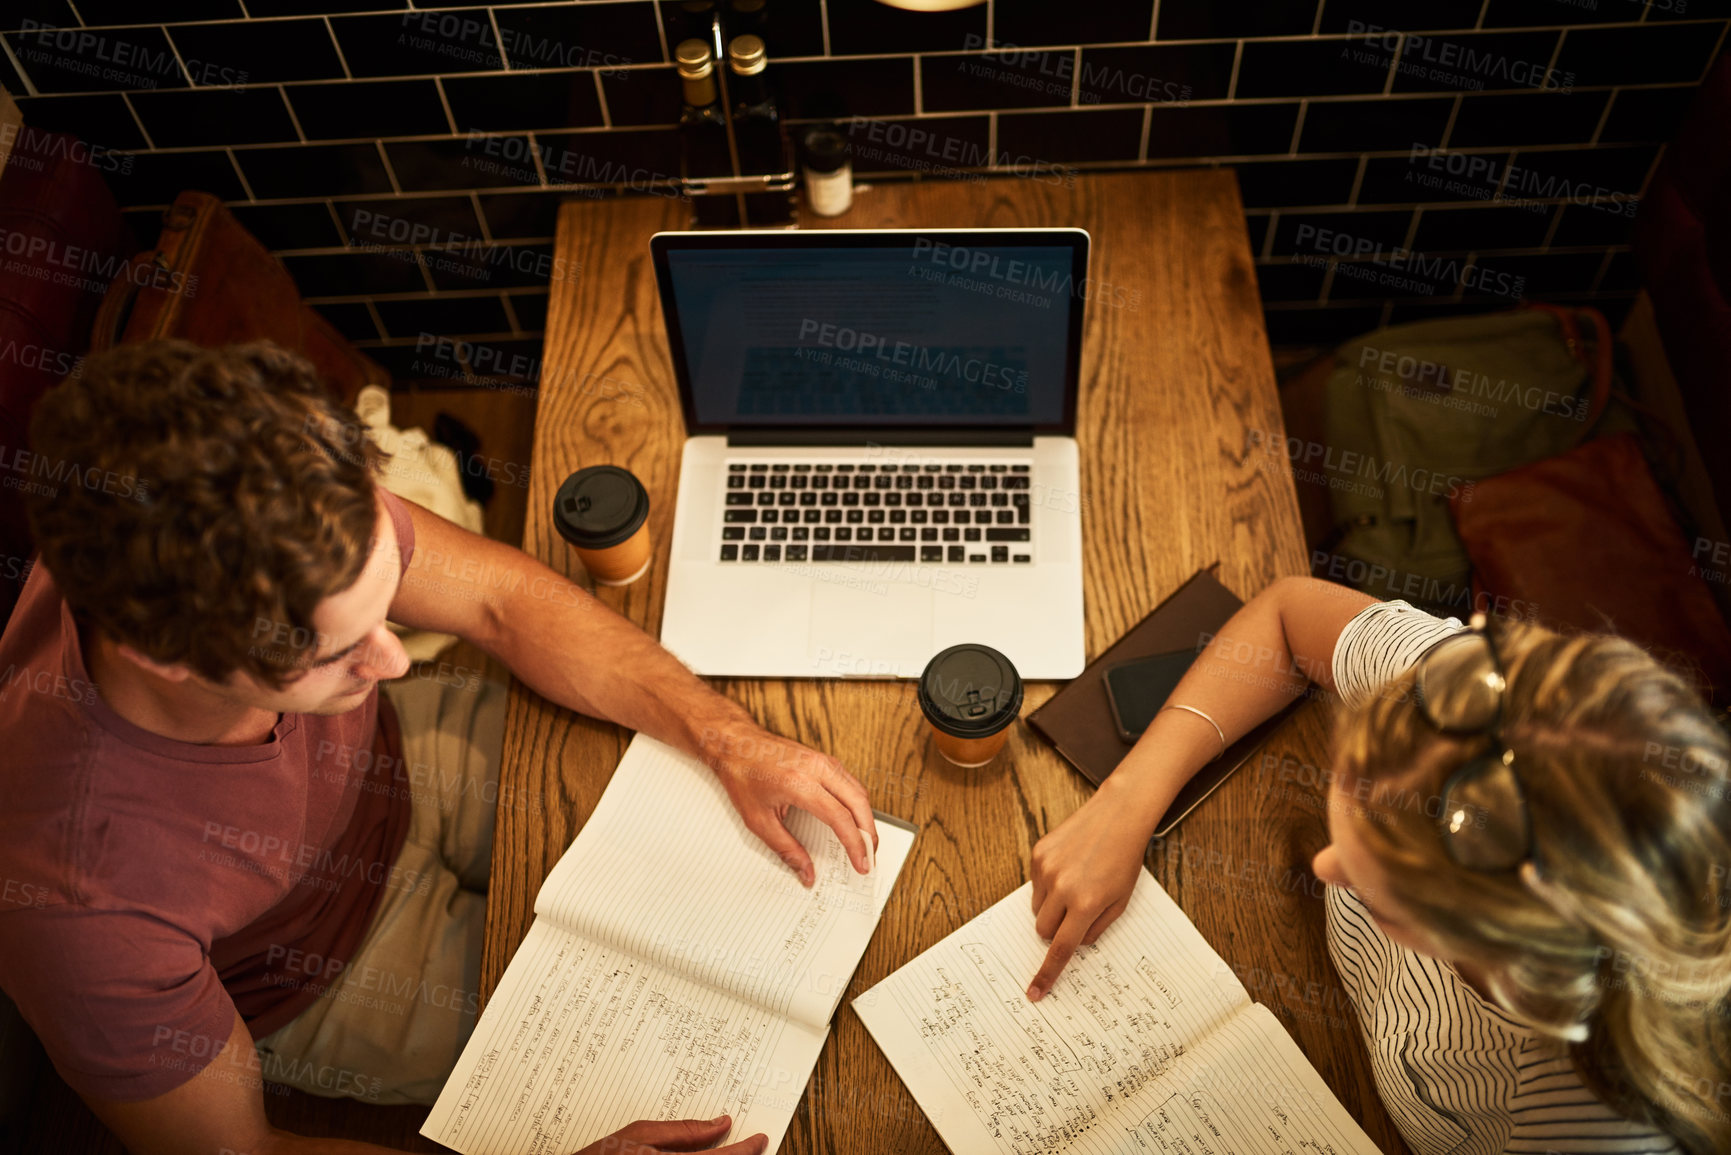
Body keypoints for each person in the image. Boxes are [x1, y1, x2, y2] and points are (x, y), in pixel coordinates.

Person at [0, 340, 878, 1155]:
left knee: (745, 852)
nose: (391, 659)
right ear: (166, 658)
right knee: (693, 1093)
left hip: (402, 759)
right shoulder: (78, 907)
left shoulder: (276, 501)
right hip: (323, 971)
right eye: (338, 650)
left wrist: (728, 736)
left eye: (386, 603)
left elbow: (495, 602)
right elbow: (244, 1151)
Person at [1026, 575, 1731, 1154]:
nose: (1327, 866)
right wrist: (1128, 796)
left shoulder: (1574, 1121)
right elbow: (1286, 614)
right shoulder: (1460, 702)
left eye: (1377, 888)